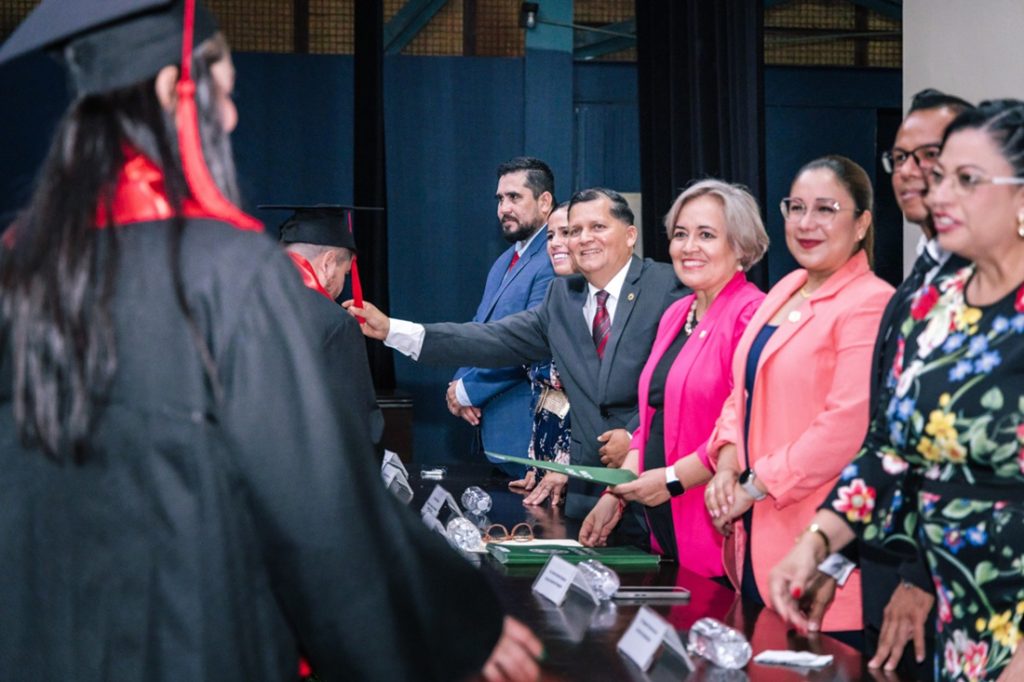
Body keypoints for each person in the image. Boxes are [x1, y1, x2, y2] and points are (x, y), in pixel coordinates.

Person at [0, 2, 539, 680]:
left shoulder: (21, 268)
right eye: (222, 92)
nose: (230, 118)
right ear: (170, 89)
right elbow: (316, 502)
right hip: (183, 638)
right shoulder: (227, 275)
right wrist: (453, 621)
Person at [769, 100, 1024, 681]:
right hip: (961, 627)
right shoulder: (932, 304)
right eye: (940, 177)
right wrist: (817, 542)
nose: (939, 195)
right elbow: (888, 449)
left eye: (966, 180)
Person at [349, 188, 686, 525]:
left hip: (657, 492)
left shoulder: (668, 287)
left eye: (597, 227)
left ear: (630, 235)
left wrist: (634, 436)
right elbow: (492, 339)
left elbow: (681, 383)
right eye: (574, 230)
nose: (583, 239)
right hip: (587, 496)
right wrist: (392, 329)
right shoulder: (561, 296)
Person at [702, 155, 894, 641]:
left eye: (826, 209)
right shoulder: (787, 287)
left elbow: (845, 429)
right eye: (796, 207)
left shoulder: (871, 301)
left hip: (819, 549)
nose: (807, 223)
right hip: (753, 541)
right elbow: (742, 390)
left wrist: (755, 484)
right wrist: (726, 465)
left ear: (861, 224)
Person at [578, 180, 768, 580]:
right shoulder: (677, 314)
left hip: (714, 520)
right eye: (681, 234)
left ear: (741, 245)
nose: (688, 247)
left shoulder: (753, 315)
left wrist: (672, 480)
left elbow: (744, 427)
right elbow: (651, 420)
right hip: (663, 523)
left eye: (706, 235)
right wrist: (616, 494)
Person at [852, 89, 973, 677]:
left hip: (959, 580)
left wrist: (921, 573)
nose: (908, 171)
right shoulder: (916, 278)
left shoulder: (996, 282)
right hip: (889, 566)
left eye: (928, 155)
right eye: (899, 157)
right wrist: (832, 553)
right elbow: (888, 438)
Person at [446, 157, 556, 477]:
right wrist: (459, 381)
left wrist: (467, 391)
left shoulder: (554, 258)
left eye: (514, 197)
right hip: (499, 435)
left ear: (544, 201)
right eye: (500, 199)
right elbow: (480, 327)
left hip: (531, 440)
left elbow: (530, 344)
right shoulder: (505, 260)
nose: (503, 208)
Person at [274, 204, 385, 450]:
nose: (342, 284)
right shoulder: (335, 323)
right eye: (345, 274)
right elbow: (356, 423)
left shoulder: (238, 304)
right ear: (328, 263)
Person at [510, 202, 573, 506]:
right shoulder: (555, 299)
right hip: (546, 470)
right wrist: (536, 463)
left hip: (582, 474)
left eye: (567, 232)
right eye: (550, 235)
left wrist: (567, 464)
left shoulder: (601, 309)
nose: (556, 242)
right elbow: (543, 394)